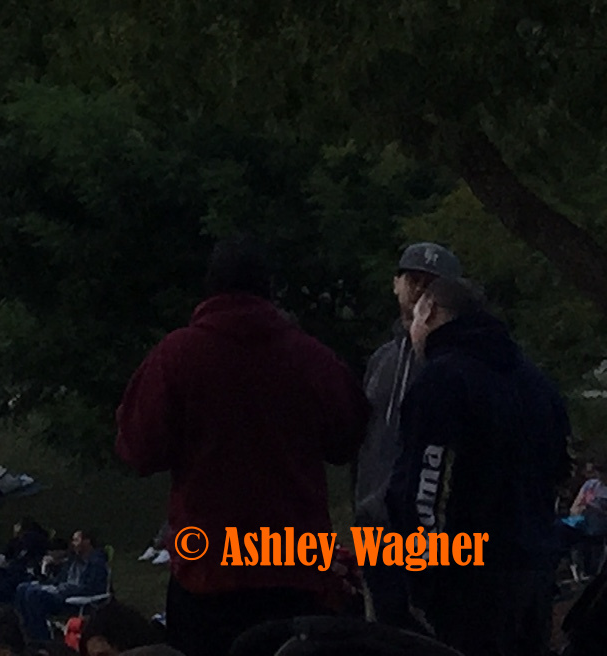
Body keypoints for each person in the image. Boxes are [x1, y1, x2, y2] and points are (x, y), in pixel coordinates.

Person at [112, 232, 363, 656]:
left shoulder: (177, 356)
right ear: (269, 288)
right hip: (294, 569)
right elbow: (348, 435)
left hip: (207, 571)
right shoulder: (309, 358)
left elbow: (138, 448)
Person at [389, 259, 570, 656]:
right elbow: (557, 472)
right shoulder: (537, 383)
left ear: (429, 312)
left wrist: (423, 578)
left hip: (467, 584)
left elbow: (427, 490)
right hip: (532, 572)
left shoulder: (442, 381)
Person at [14, 528, 108, 645]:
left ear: (87, 541)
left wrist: (62, 589)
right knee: (23, 588)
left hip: (74, 601)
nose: (73, 544)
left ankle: (41, 639)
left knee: (34, 595)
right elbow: (59, 579)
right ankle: (26, 633)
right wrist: (45, 582)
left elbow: (91, 588)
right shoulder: (74, 559)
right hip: (62, 593)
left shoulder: (96, 563)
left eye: (76, 540)